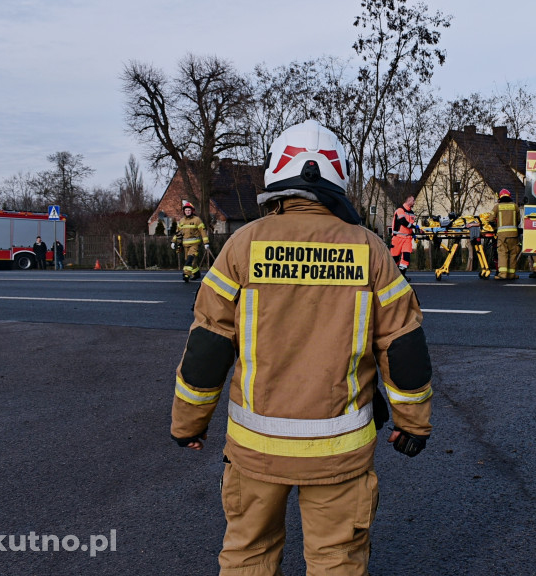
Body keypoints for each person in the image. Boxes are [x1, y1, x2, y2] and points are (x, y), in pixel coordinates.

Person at [170, 120, 433, 576]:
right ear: (338, 178)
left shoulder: (242, 245)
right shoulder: (369, 250)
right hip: (340, 451)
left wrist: (187, 422)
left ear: (276, 174)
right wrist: (414, 424)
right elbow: (402, 344)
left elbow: (209, 344)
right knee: (336, 561)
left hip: (256, 451)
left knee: (248, 554)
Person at [171, 200, 209, 282]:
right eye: (186, 210)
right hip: (185, 245)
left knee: (189, 260)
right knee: (192, 262)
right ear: (184, 211)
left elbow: (203, 231)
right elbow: (178, 233)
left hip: (195, 244)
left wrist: (206, 243)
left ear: (192, 211)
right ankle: (196, 274)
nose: (187, 212)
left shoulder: (197, 220)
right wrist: (173, 241)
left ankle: (186, 275)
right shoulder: (181, 221)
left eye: (189, 210)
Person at [489, 189, 520, 280]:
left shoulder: (497, 207)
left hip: (502, 235)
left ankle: (503, 274)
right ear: (509, 196)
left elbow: (490, 220)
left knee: (503, 254)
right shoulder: (515, 206)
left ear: (500, 197)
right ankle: (511, 274)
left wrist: (495, 228)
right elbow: (518, 220)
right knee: (513, 254)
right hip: (514, 235)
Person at [390, 194, 417, 278]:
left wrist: (413, 233)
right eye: (413, 200)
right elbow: (403, 222)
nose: (414, 202)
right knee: (395, 258)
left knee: (406, 257)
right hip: (397, 238)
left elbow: (409, 226)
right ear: (408, 201)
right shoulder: (400, 210)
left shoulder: (412, 213)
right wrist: (414, 227)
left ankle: (402, 275)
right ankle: (393, 275)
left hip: (407, 239)